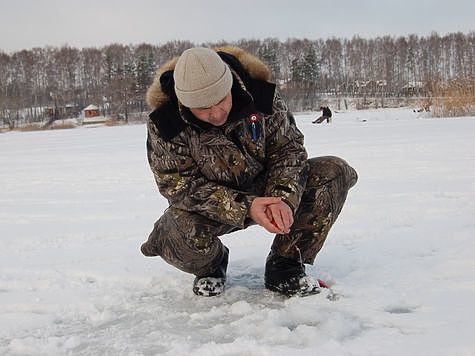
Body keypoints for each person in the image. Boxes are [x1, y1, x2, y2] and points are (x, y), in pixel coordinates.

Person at [141, 47, 357, 297]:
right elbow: (178, 186)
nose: (215, 113)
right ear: (183, 102)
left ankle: (285, 267)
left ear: (230, 85)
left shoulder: (261, 95)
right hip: (213, 205)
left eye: (220, 100)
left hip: (269, 186)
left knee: (333, 171)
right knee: (170, 232)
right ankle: (212, 265)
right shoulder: (166, 123)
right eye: (201, 107)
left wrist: (283, 199)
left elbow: (288, 151)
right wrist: (247, 206)